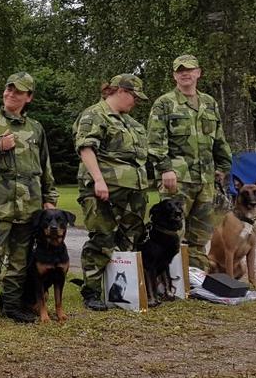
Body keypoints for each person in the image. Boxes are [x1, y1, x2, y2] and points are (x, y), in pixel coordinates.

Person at [0, 72, 58, 327]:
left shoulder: (36, 128)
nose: (10, 94)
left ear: (29, 97)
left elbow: (45, 165)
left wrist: (50, 199)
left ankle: (12, 306)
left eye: (18, 91)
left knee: (19, 261)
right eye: (8, 89)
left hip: (30, 206)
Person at [147, 54, 232, 270]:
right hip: (177, 179)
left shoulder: (209, 103)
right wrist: (165, 169)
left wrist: (223, 167)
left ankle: (195, 279)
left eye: (189, 69)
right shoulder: (164, 103)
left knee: (201, 234)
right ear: (174, 75)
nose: (185, 73)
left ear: (198, 73)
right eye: (180, 70)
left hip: (205, 179)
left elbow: (219, 138)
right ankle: (171, 280)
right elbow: (155, 141)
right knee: (171, 231)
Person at [73, 74, 150, 310]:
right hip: (104, 188)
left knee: (131, 238)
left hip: (133, 191)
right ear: (120, 91)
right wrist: (98, 180)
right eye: (134, 97)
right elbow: (86, 147)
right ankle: (92, 292)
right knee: (102, 239)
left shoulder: (132, 124)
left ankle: (123, 291)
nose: (135, 102)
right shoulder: (94, 114)